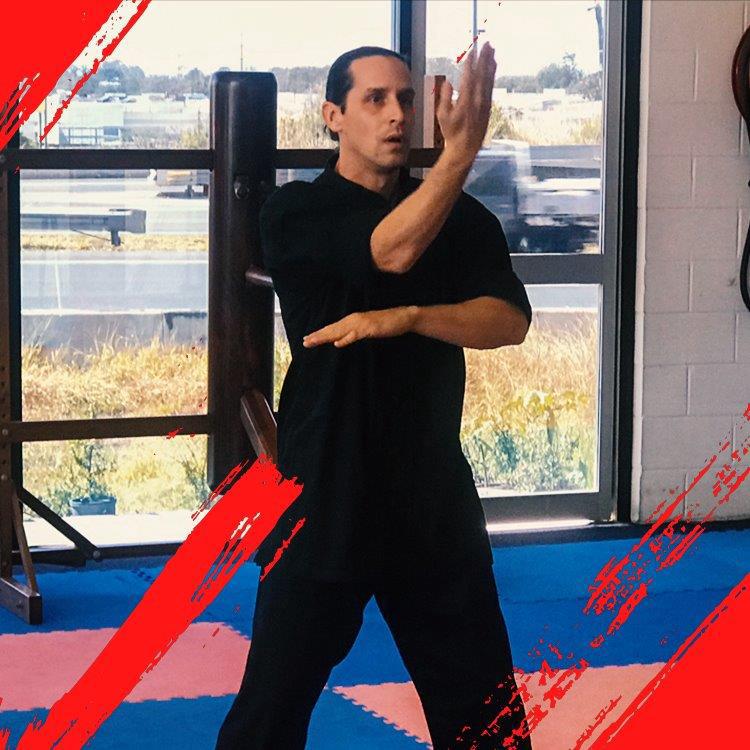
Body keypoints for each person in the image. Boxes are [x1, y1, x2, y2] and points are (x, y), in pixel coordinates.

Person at [215, 42, 534, 750]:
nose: (396, 114)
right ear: (334, 116)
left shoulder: (461, 218)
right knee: (269, 713)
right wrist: (458, 156)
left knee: (488, 721)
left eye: (406, 99)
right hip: (326, 493)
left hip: (431, 498)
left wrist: (411, 317)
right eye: (375, 99)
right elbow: (390, 250)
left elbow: (509, 321)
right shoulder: (296, 210)